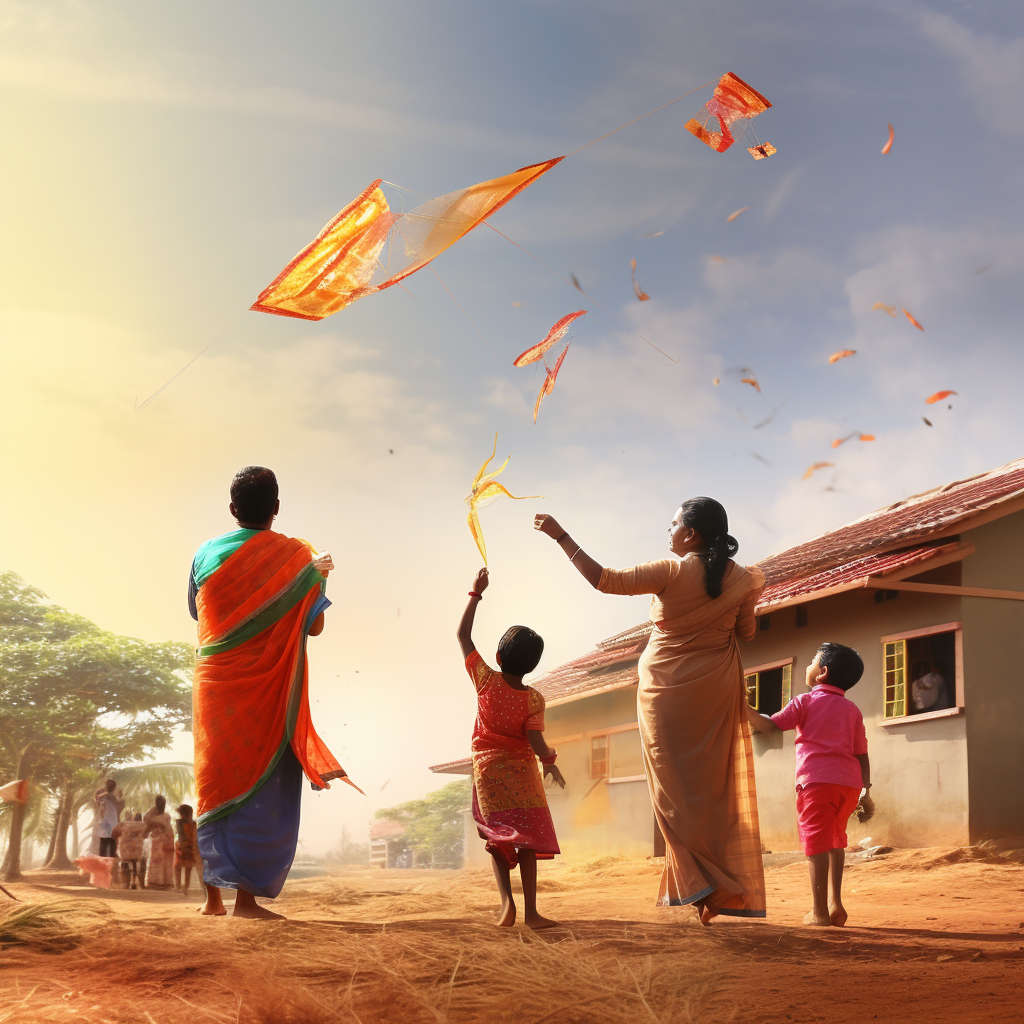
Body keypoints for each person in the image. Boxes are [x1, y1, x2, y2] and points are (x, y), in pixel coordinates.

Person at [535, 498, 766, 923]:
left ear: (691, 534)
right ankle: (713, 886)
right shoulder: (745, 580)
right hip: (715, 693)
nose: (669, 531)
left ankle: (707, 886)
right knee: (712, 792)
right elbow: (746, 633)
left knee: (671, 794)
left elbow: (604, 580)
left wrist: (560, 536)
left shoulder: (671, 571)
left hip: (667, 695)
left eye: (673, 524)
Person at [189, 466, 354, 920]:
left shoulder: (205, 552)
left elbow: (197, 612)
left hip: (217, 685)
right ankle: (246, 900)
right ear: (276, 509)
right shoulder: (297, 557)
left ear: (231, 509)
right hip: (270, 690)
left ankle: (212, 900)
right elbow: (314, 627)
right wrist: (316, 580)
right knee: (262, 787)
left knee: (214, 782)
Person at [457, 567, 566, 929]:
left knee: (498, 838)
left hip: (489, 774)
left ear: (500, 657)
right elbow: (535, 740)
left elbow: (462, 635)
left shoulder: (485, 680)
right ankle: (533, 912)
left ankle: (508, 907)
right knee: (529, 840)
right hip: (523, 775)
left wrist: (476, 593)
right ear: (533, 664)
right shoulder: (534, 698)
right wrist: (550, 762)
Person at [746, 642, 874, 927]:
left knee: (815, 845)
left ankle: (818, 913)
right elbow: (862, 755)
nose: (807, 666)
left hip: (816, 783)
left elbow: (771, 725)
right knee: (836, 841)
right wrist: (866, 793)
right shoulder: (852, 710)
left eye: (812, 662)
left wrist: (745, 709)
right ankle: (836, 904)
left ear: (822, 673)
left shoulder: (804, 702)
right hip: (849, 786)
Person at [143, 796, 175, 889]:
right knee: (159, 860)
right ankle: (159, 882)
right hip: (162, 839)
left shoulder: (163, 816)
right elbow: (146, 821)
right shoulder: (161, 816)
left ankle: (161, 882)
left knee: (162, 860)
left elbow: (147, 821)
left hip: (164, 839)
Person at [174, 804, 202, 896]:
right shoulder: (193, 823)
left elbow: (181, 834)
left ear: (181, 814)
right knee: (188, 868)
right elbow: (194, 836)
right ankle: (185, 887)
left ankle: (179, 886)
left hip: (182, 846)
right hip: (190, 846)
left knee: (178, 867)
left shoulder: (179, 822)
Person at [115, 812, 147, 889]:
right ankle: (135, 882)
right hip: (137, 851)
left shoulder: (125, 825)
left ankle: (126, 883)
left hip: (126, 850)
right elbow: (146, 835)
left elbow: (115, 833)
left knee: (126, 862)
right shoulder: (143, 826)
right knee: (137, 864)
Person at [94, 779, 124, 858]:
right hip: (110, 824)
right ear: (114, 788)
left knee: (104, 846)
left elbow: (97, 801)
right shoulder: (114, 799)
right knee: (111, 846)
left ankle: (104, 865)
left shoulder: (102, 797)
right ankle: (110, 865)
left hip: (105, 824)